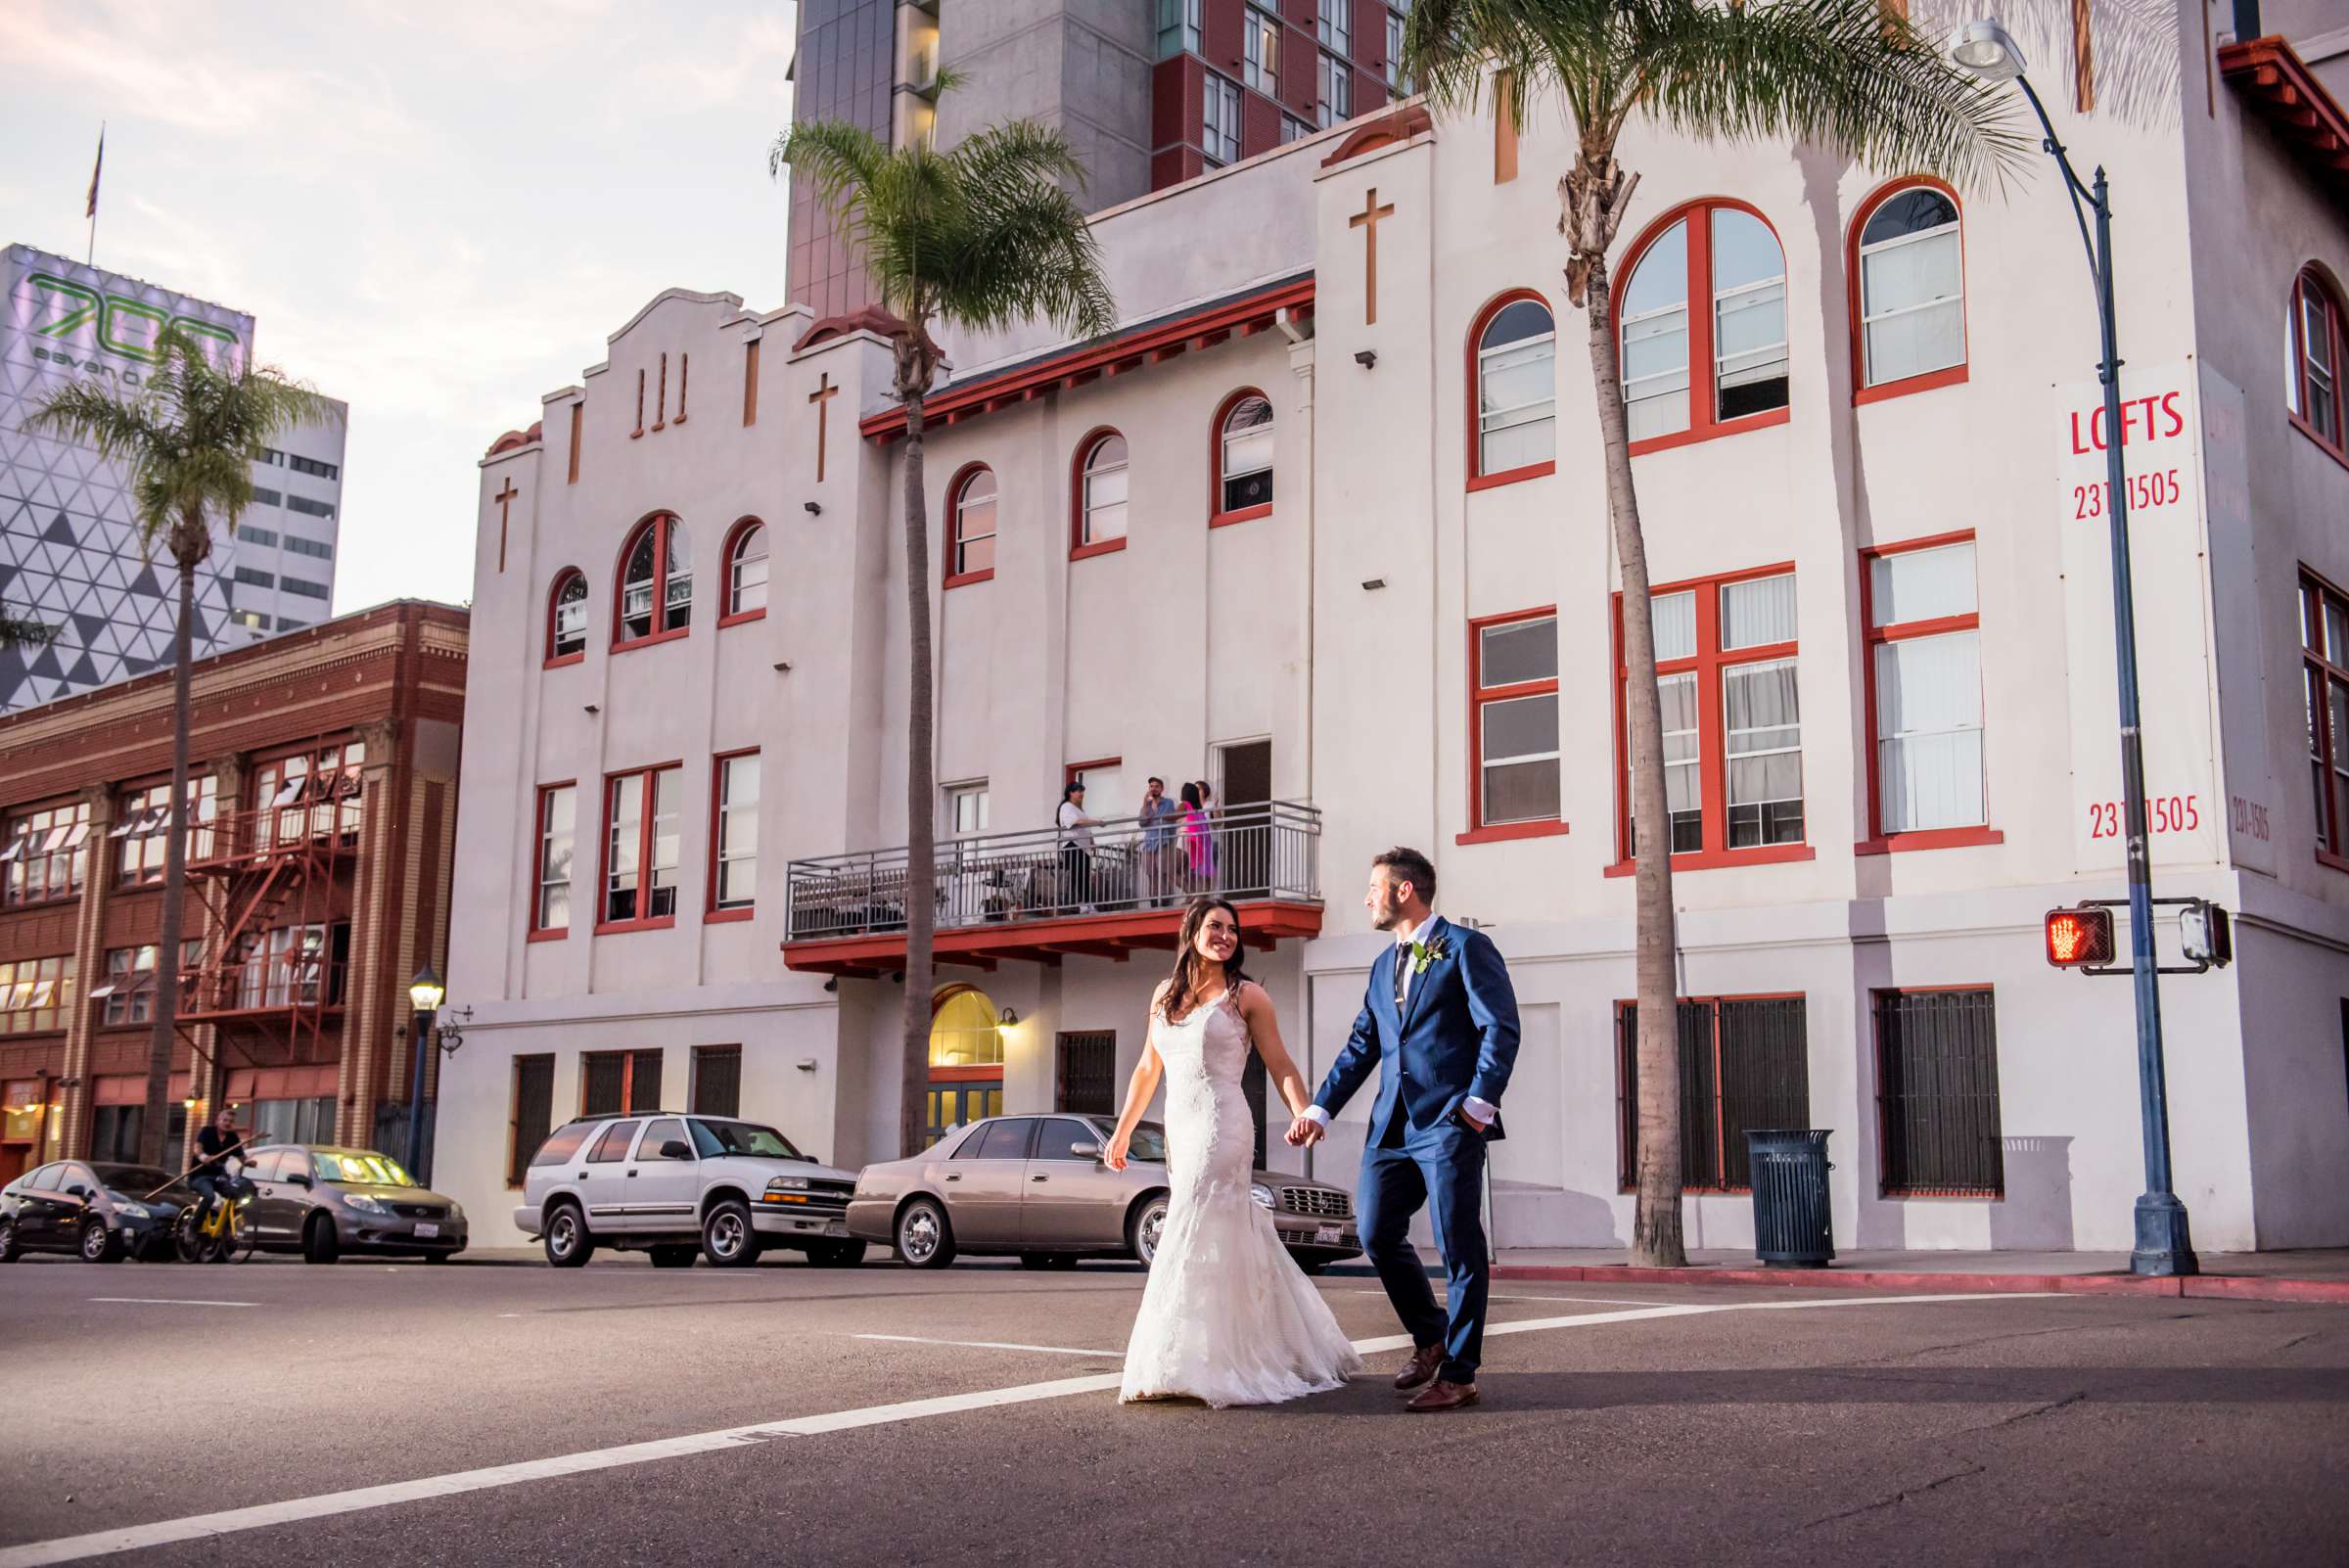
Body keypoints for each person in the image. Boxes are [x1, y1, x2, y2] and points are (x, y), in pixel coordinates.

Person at [1289, 847, 1521, 1413]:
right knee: (1374, 1233)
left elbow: (1501, 1028)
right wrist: (1320, 1109)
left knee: (1458, 1247)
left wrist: (1477, 1105)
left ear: (1403, 891)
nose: (1367, 897)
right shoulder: (1381, 965)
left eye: (1374, 887)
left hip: (1448, 1122)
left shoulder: (1467, 948)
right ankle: (1431, 1336)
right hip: (1389, 1126)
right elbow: (1364, 1045)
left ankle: (1460, 1373)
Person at [1107, 897, 1361, 1407]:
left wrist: (1303, 1112)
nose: (1225, 935)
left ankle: (1195, 1362)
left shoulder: (1247, 996)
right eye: (1214, 926)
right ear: (1192, 931)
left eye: (1232, 929)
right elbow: (1145, 1069)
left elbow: (1281, 1064)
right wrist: (1122, 1130)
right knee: (1212, 1229)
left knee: (1189, 1222)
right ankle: (1213, 1350)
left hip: (1223, 1124)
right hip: (1179, 1127)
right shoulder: (1163, 994)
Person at [185, 1105, 253, 1235]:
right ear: (218, 1121)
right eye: (225, 1120)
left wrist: (249, 1162)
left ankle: (226, 1226)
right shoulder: (207, 1131)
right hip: (200, 1176)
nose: (228, 1123)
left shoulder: (233, 1138)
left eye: (231, 1122)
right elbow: (197, 1148)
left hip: (218, 1177)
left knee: (236, 1195)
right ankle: (192, 1228)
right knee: (209, 1196)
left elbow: (242, 1157)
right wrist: (203, 1157)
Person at [1056, 780, 1099, 914]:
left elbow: (1086, 827)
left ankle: (1087, 904)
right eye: (1079, 791)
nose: (1082, 794)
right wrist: (1096, 821)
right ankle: (1083, 905)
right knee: (1078, 875)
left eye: (1082, 791)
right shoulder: (1067, 806)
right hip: (1072, 844)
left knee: (1085, 876)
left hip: (1083, 847)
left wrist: (1092, 841)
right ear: (1071, 793)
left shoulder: (1080, 809)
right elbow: (1073, 822)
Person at [1137, 777, 1179, 906]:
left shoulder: (1168, 803)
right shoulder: (1146, 806)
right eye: (1151, 786)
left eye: (1156, 786)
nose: (1153, 788)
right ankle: (1154, 904)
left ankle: (1166, 902)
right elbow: (1142, 823)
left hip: (1164, 842)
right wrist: (1146, 804)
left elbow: (1169, 820)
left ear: (1161, 789)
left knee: (1165, 873)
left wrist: (1155, 808)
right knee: (1152, 875)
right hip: (1149, 844)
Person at [1177, 782, 1216, 891]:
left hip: (1197, 840)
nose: (1197, 791)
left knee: (1201, 870)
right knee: (1191, 869)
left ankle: (1198, 895)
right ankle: (1193, 894)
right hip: (1194, 839)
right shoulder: (1192, 807)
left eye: (1199, 789)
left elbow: (1218, 823)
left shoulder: (1205, 805)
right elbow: (1179, 820)